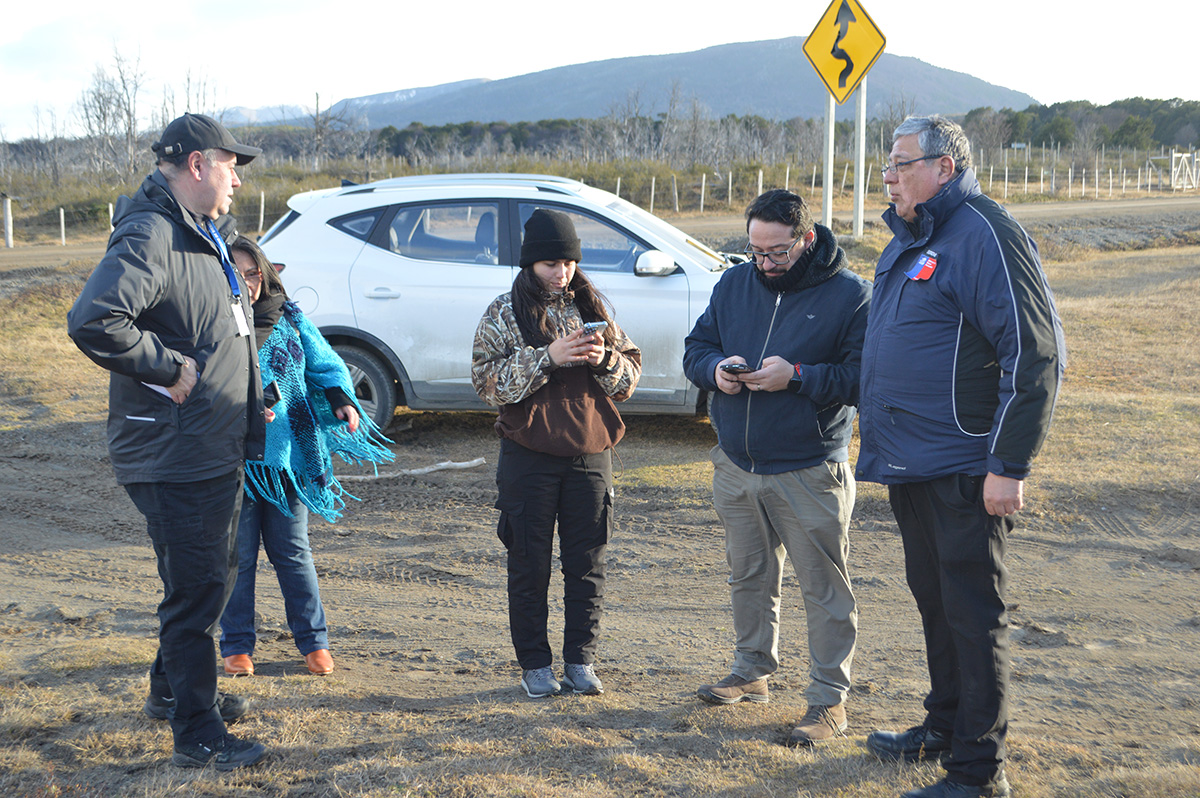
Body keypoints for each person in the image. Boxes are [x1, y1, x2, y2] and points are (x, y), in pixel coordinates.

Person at [857, 116, 1065, 798]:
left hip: (966, 468)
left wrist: (1009, 464)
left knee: (974, 617)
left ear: (944, 168)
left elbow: (1034, 354)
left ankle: (979, 771)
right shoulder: (911, 240)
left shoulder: (984, 231)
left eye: (900, 163)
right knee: (936, 605)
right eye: (885, 166)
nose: (887, 176)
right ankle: (943, 727)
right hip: (910, 464)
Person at [67, 113, 268, 770]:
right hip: (176, 453)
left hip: (211, 442)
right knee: (198, 587)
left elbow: (223, 325)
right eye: (232, 165)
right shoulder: (152, 232)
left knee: (205, 577)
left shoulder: (206, 234)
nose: (237, 178)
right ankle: (197, 730)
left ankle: (173, 690)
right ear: (198, 164)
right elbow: (95, 320)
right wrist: (167, 367)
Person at [682, 189, 871, 746]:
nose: (764, 264)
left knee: (824, 588)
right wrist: (715, 369)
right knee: (749, 575)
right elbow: (697, 346)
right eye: (755, 251)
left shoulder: (852, 296)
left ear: (807, 239)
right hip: (738, 465)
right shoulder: (734, 284)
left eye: (777, 253)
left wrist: (799, 377)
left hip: (809, 469)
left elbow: (862, 379)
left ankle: (829, 703)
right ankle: (752, 671)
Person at [471, 208, 641, 699]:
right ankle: (536, 665)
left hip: (591, 454)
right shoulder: (504, 311)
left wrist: (604, 358)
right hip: (528, 455)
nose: (561, 272)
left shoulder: (594, 309)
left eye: (568, 261)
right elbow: (486, 384)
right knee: (529, 563)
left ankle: (581, 662)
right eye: (549, 263)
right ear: (529, 263)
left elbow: (630, 380)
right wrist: (547, 357)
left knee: (588, 564)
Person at [219, 237, 393, 678]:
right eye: (237, 272)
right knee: (237, 557)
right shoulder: (214, 323)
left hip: (288, 463)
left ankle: (314, 643)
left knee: (293, 553)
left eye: (254, 272)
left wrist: (342, 400)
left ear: (266, 273)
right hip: (233, 462)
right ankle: (236, 645)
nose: (249, 282)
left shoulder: (290, 319)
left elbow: (326, 366)